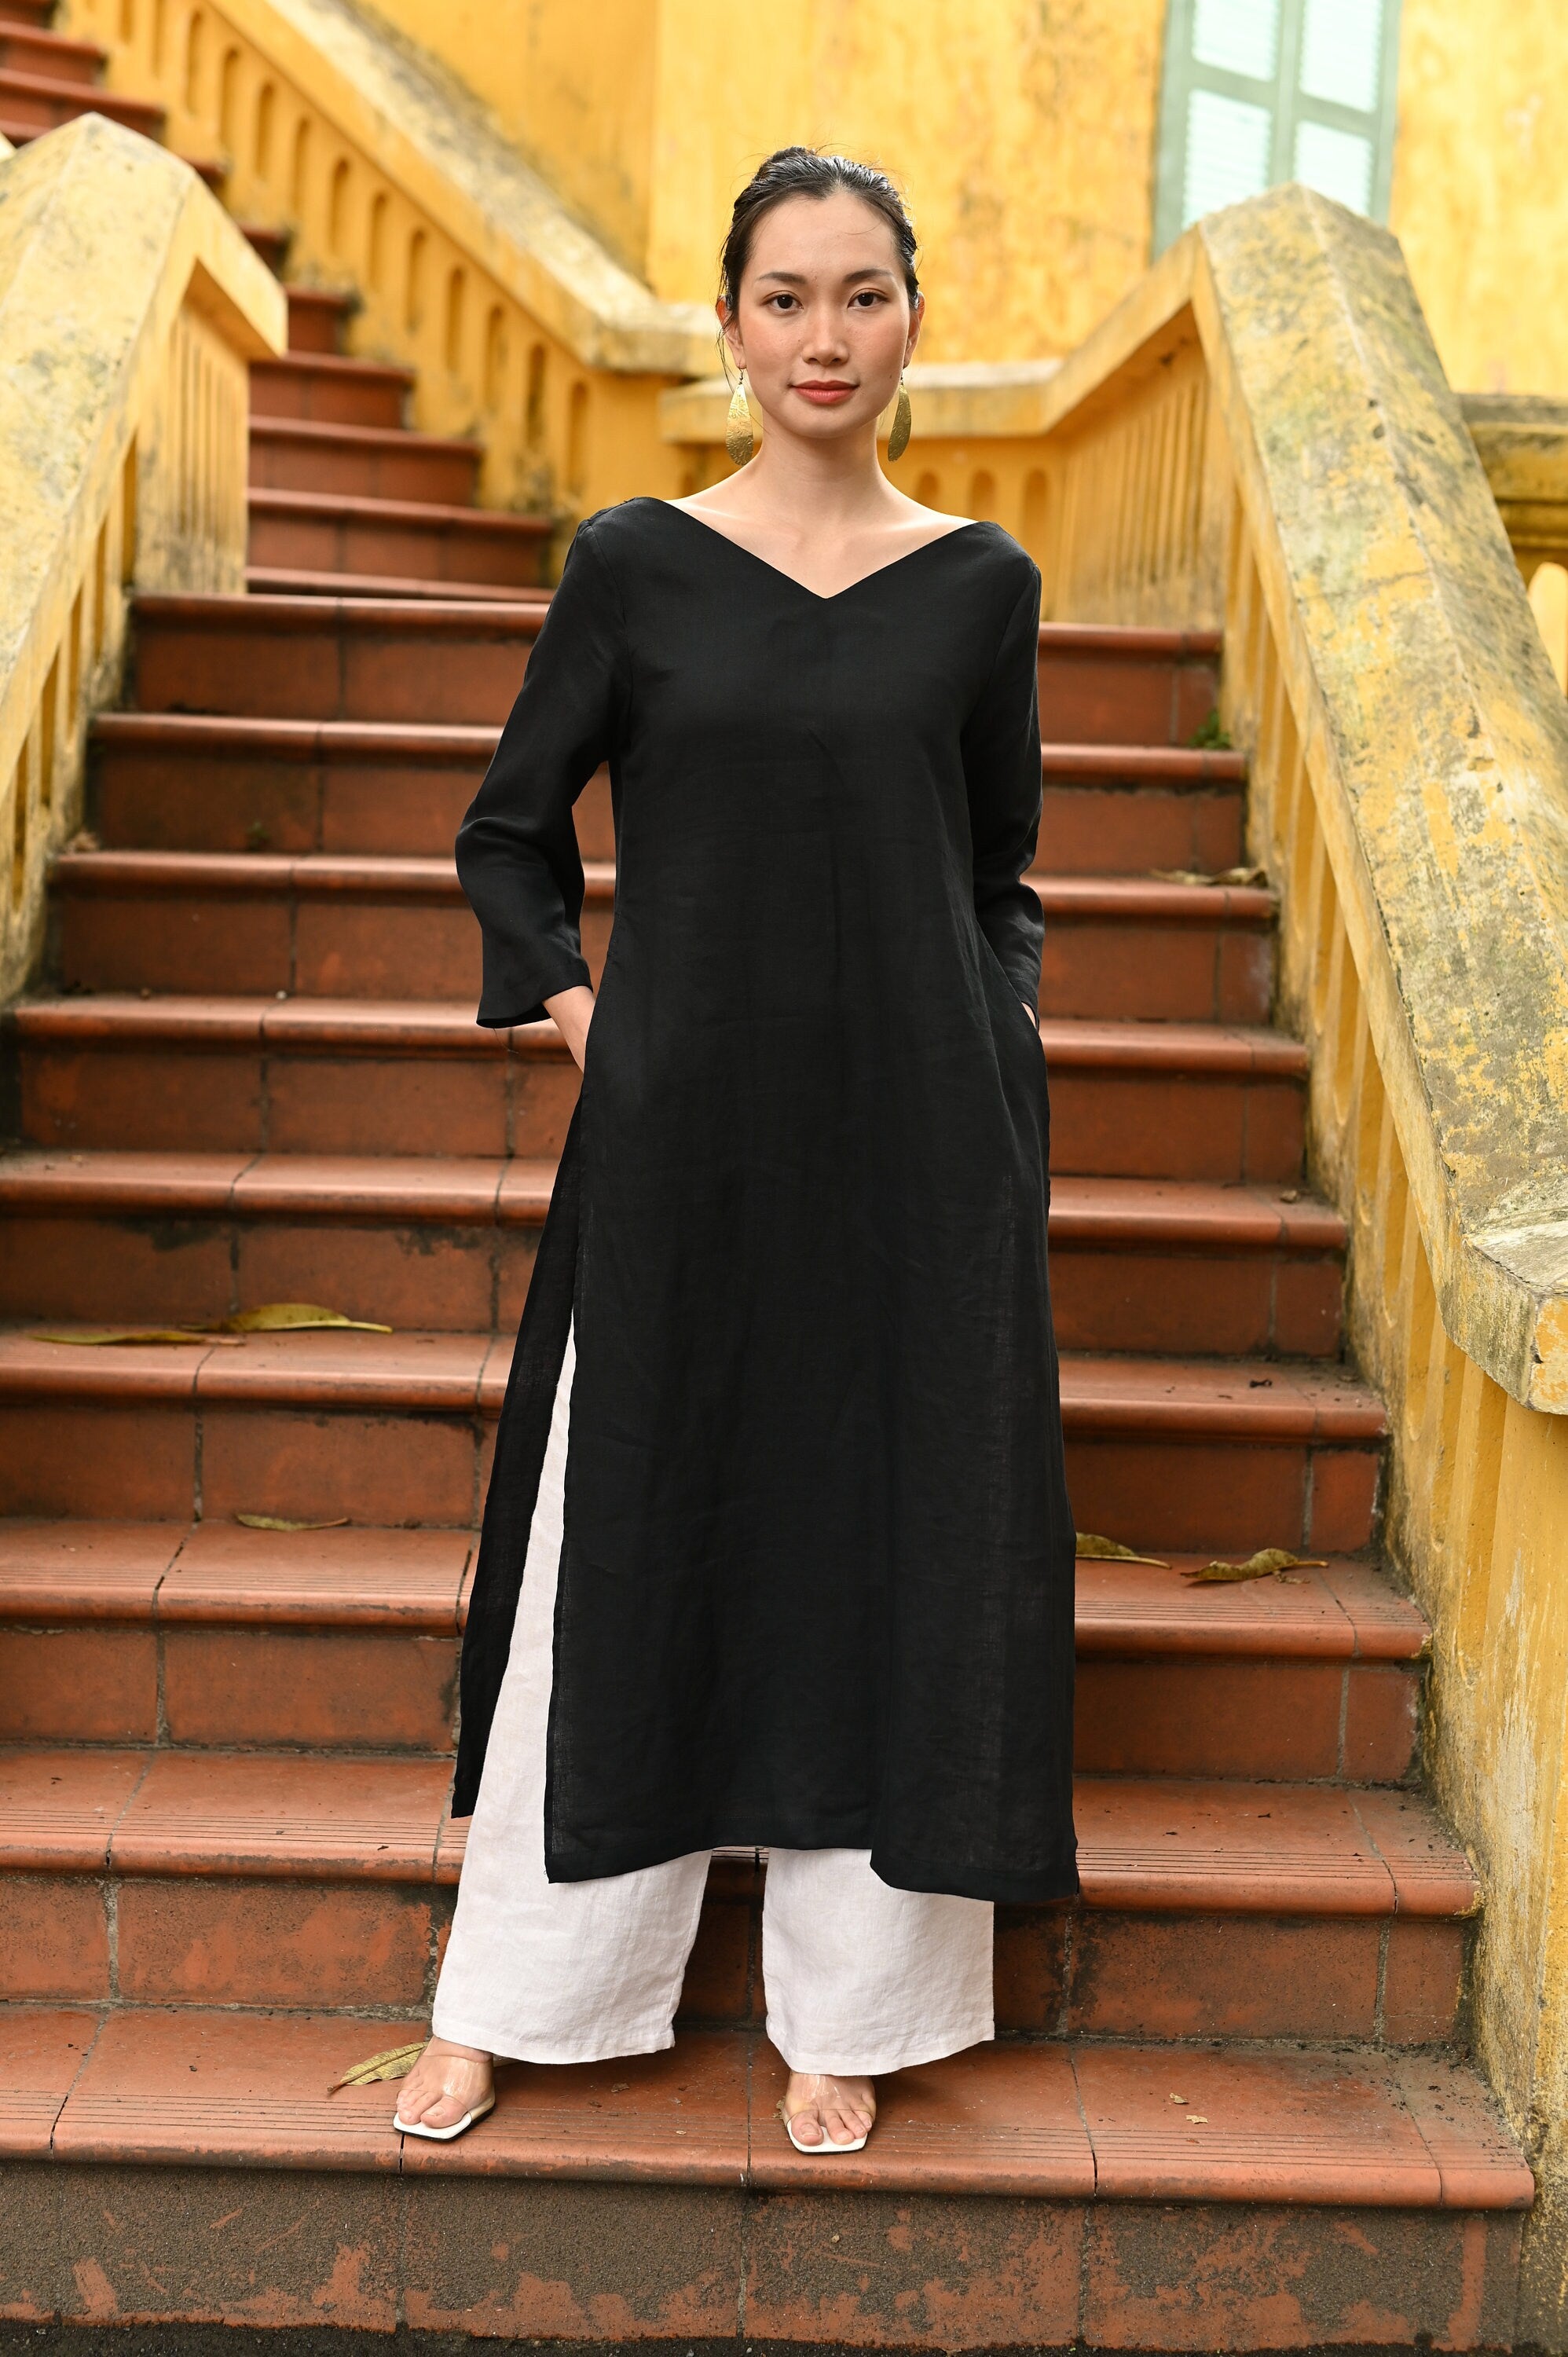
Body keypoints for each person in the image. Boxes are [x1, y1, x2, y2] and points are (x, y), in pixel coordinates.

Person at [393, 145, 1078, 2157]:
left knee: (887, 1539)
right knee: (622, 1524)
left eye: (861, 294)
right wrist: (593, 1023)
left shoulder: (980, 587)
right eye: (785, 298)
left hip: (915, 1161)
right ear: (729, 327)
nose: (822, 337)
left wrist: (996, 1058)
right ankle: (514, 1996)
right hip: (681, 1149)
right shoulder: (636, 565)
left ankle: (850, 2016)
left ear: (911, 319)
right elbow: (508, 837)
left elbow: (997, 874)